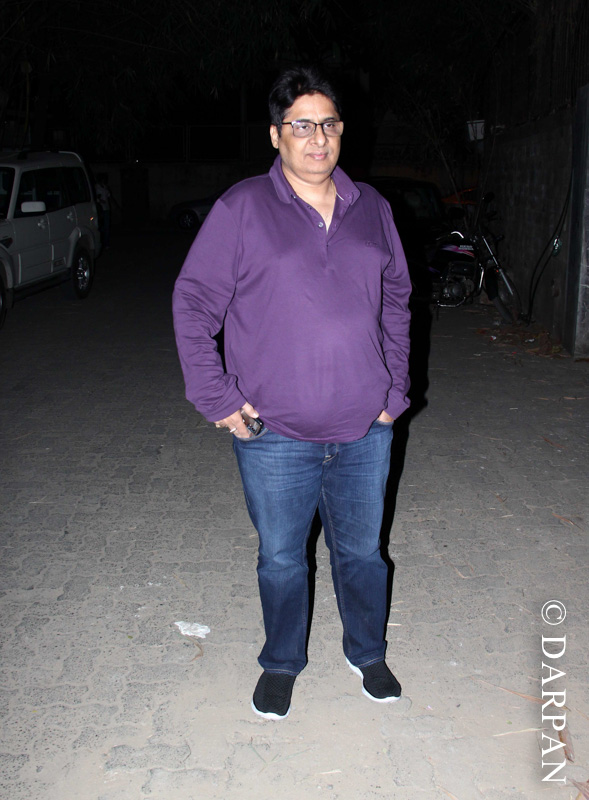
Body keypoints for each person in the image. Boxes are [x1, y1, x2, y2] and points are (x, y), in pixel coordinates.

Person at [173, 66, 411, 720]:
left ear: (342, 131)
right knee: (281, 559)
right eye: (301, 125)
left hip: (364, 427)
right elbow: (193, 303)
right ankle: (281, 662)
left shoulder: (372, 208)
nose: (317, 138)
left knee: (363, 554)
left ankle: (367, 652)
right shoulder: (242, 208)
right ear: (276, 135)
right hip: (273, 432)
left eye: (327, 124)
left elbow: (397, 300)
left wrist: (394, 388)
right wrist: (218, 399)